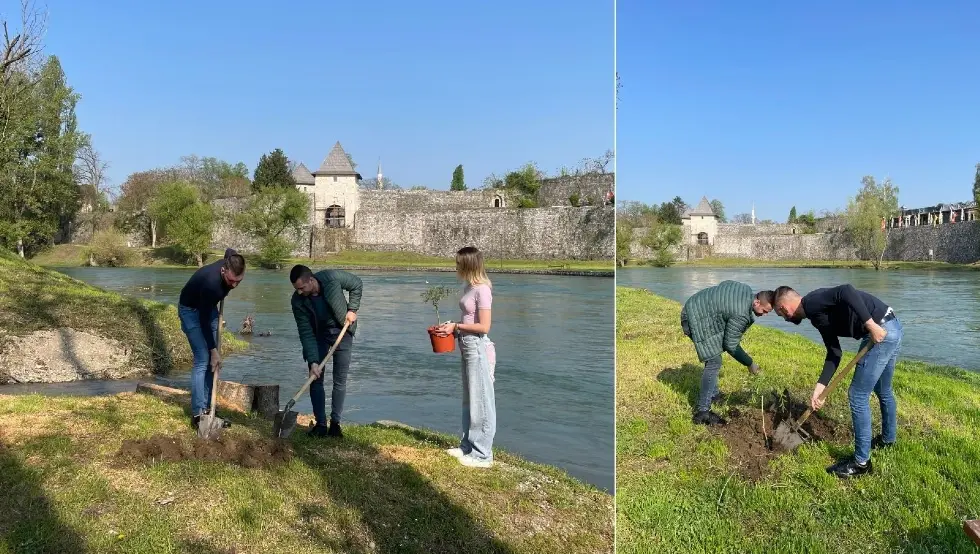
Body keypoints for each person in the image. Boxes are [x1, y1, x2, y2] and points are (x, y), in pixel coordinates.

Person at [772, 284, 902, 479]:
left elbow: (846, 291)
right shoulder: (816, 315)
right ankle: (888, 440)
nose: (784, 318)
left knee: (858, 395)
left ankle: (861, 463)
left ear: (784, 309)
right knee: (883, 389)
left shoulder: (813, 301)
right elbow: (834, 352)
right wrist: (819, 388)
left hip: (881, 330)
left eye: (781, 315)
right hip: (891, 327)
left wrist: (871, 325)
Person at [679, 280, 773, 425]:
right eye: (765, 311)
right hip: (694, 318)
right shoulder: (742, 314)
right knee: (714, 361)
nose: (765, 315)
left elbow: (725, 283)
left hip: (697, 307)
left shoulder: (745, 289)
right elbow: (731, 345)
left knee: (714, 354)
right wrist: (750, 363)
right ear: (756, 302)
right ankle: (702, 412)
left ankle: (714, 395)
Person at [436, 246, 497, 469]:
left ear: (468, 264)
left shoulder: (483, 290)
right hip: (465, 343)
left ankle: (483, 454)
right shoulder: (469, 287)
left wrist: (457, 325)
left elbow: (484, 326)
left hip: (477, 346)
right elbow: (469, 317)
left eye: (459, 263)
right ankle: (467, 445)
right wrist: (453, 327)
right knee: (469, 398)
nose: (456, 266)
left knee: (481, 399)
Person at [289, 264, 362, 438]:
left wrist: (352, 309)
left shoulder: (331, 277)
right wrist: (313, 361)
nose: (299, 292)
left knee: (339, 380)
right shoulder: (297, 301)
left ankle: (335, 424)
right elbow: (305, 332)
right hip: (317, 336)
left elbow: (356, 284)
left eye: (301, 288)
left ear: (311, 280)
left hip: (342, 330)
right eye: (296, 289)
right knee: (315, 378)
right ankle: (320, 425)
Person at [177, 248, 246, 430]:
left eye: (238, 281)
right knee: (203, 359)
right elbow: (204, 322)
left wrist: (234, 255)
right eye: (231, 281)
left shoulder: (230, 263)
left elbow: (229, 251)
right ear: (223, 270)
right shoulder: (211, 284)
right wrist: (213, 350)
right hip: (191, 311)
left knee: (212, 363)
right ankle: (198, 414)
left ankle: (209, 408)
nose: (234, 286)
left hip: (208, 307)